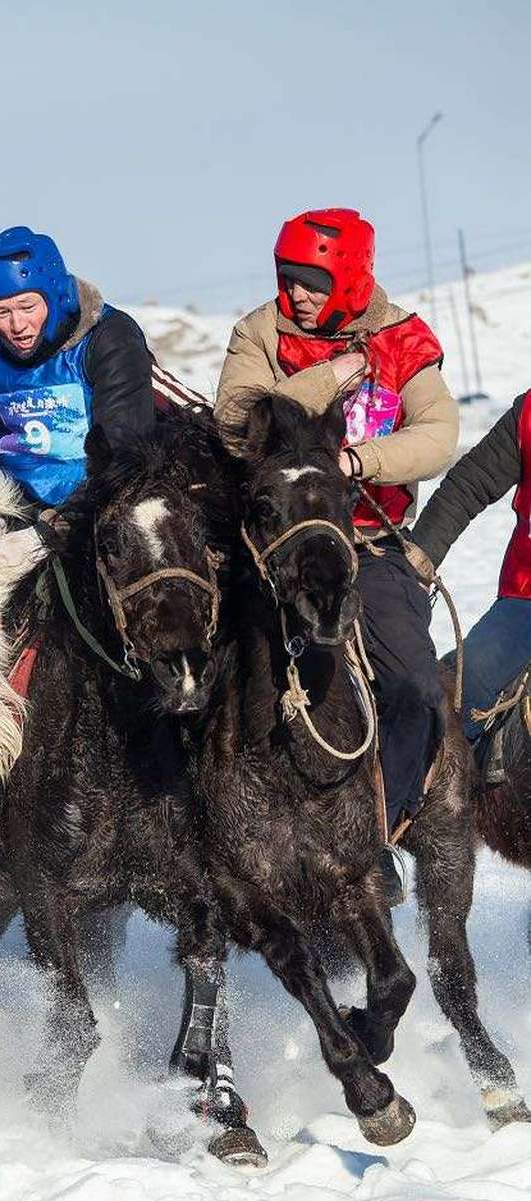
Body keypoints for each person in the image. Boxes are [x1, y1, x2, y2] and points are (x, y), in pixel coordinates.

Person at [215, 207, 460, 865]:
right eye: (288, 278)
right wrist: (331, 376)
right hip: (272, 548)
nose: (296, 294)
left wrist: (358, 462)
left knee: (413, 686)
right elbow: (237, 425)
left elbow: (438, 432)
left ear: (351, 280)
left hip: (369, 544)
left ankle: (377, 837)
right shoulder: (260, 332)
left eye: (313, 283)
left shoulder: (402, 339)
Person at [0, 226, 155, 542]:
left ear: (56, 297)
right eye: (2, 312)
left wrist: (65, 519)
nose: (17, 325)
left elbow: (124, 446)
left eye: (27, 307)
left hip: (103, 509)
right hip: (14, 520)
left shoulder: (108, 337)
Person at [409, 390, 531, 746]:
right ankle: (426, 793)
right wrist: (422, 553)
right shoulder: (528, 417)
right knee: (463, 687)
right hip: (526, 598)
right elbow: (470, 484)